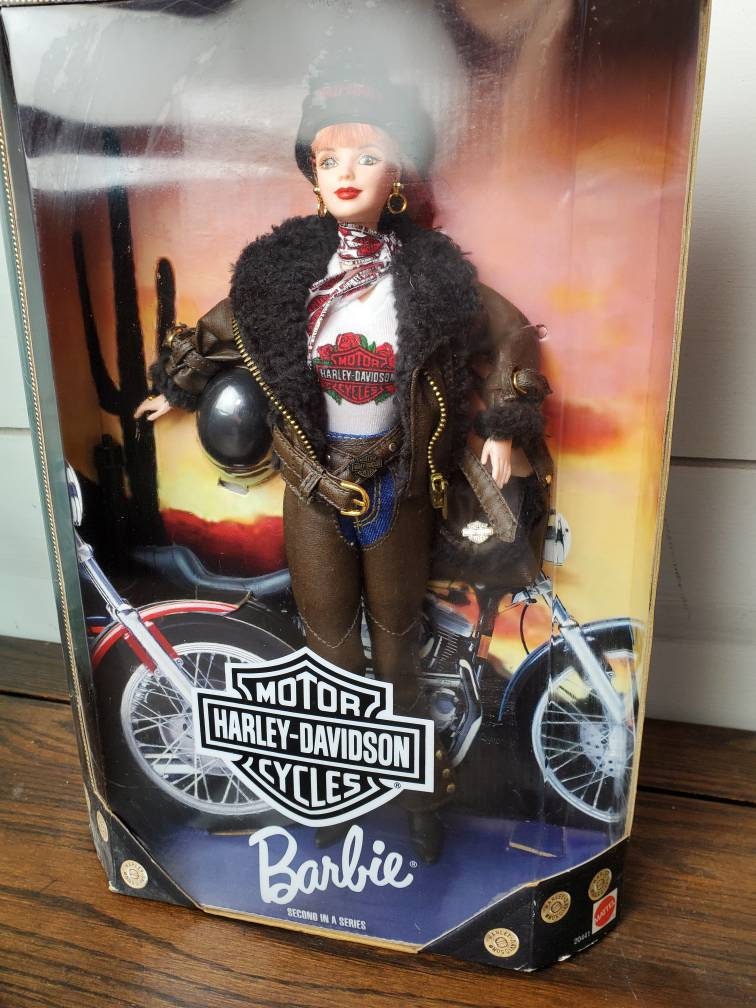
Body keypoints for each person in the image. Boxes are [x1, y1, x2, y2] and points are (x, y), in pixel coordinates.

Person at [136, 78, 552, 862]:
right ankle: (332, 788)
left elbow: (509, 332)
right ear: (313, 177)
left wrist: (504, 424)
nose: (347, 173)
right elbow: (223, 328)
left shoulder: (429, 273)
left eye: (367, 155)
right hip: (315, 485)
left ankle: (419, 800)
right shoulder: (282, 272)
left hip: (398, 484)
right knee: (328, 651)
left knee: (397, 653)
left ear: (399, 174)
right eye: (329, 161)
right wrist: (177, 387)